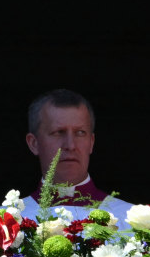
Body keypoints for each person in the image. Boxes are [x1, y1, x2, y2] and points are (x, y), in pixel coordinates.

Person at [21, 89, 134, 228]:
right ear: (34, 143)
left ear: (91, 142)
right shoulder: (5, 225)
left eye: (80, 133)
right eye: (58, 132)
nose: (70, 145)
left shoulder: (132, 221)